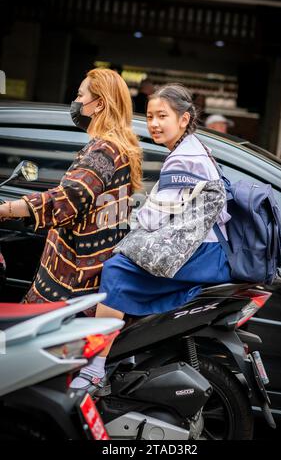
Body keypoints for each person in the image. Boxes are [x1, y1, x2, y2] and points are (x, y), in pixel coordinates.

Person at [70, 83, 232, 392]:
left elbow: (152, 217)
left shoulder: (184, 158)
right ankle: (124, 354)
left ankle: (93, 369)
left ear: (184, 119)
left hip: (202, 253)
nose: (154, 124)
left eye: (162, 116)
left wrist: (127, 222)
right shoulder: (194, 149)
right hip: (208, 249)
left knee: (115, 270)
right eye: (149, 116)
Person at [0, 68, 142, 309]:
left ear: (99, 105)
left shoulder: (104, 151)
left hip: (69, 286)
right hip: (83, 283)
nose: (75, 102)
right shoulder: (117, 149)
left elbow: (67, 198)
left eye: (79, 96)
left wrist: (6, 210)